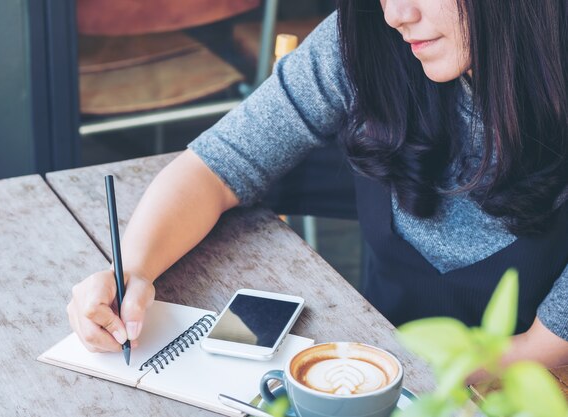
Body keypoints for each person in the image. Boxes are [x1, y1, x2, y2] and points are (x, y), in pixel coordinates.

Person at [67, 0, 568, 379]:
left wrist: (372, 381)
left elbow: (537, 354)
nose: (395, 14)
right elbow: (216, 165)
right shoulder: (368, 40)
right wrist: (129, 273)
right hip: (366, 363)